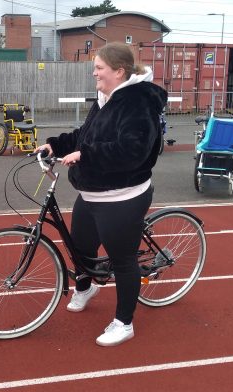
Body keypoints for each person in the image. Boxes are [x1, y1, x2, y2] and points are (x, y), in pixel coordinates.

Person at [37, 42, 167, 347]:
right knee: (81, 248)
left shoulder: (137, 102)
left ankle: (124, 322)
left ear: (119, 72)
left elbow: (133, 150)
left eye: (99, 68)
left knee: (123, 261)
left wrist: (86, 155)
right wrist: (55, 145)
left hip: (123, 195)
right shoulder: (105, 98)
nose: (93, 72)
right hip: (92, 192)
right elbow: (85, 137)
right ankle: (86, 288)